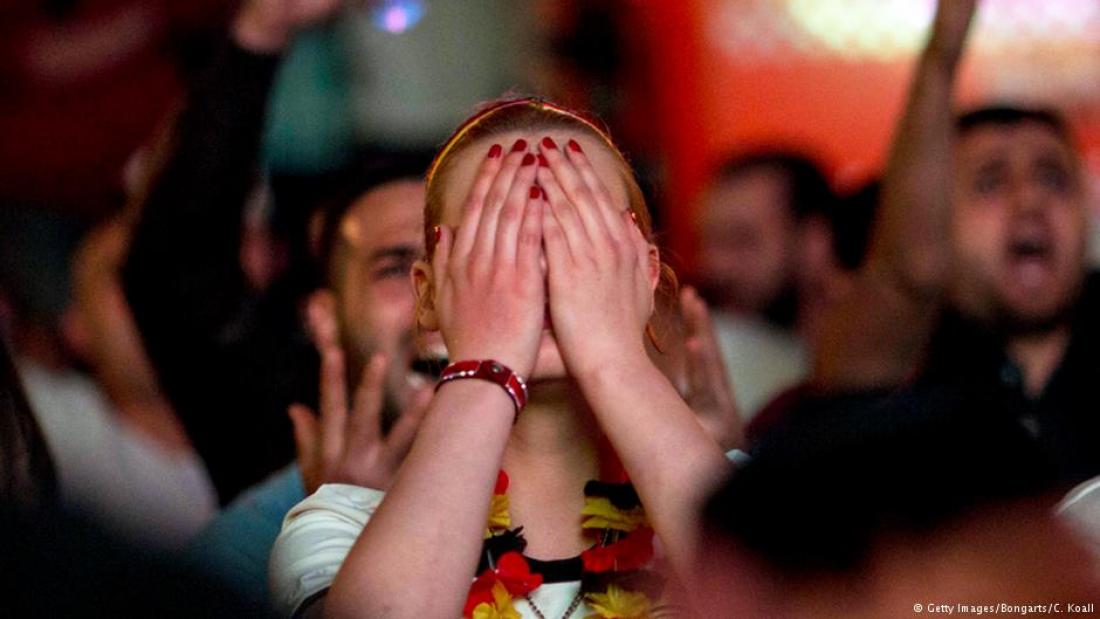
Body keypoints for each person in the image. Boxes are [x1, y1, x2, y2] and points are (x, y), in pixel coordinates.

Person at [270, 98, 731, 618]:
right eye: (497, 240)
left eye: (579, 234)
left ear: (644, 275)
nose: (542, 270)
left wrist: (613, 360)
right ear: (428, 293)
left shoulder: (740, 491)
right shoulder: (343, 525)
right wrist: (486, 363)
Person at [803, 0, 1100, 487]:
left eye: (1052, 177)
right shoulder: (905, 363)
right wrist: (941, 56)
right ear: (935, 218)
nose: (1030, 200)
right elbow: (906, 275)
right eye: (990, 181)